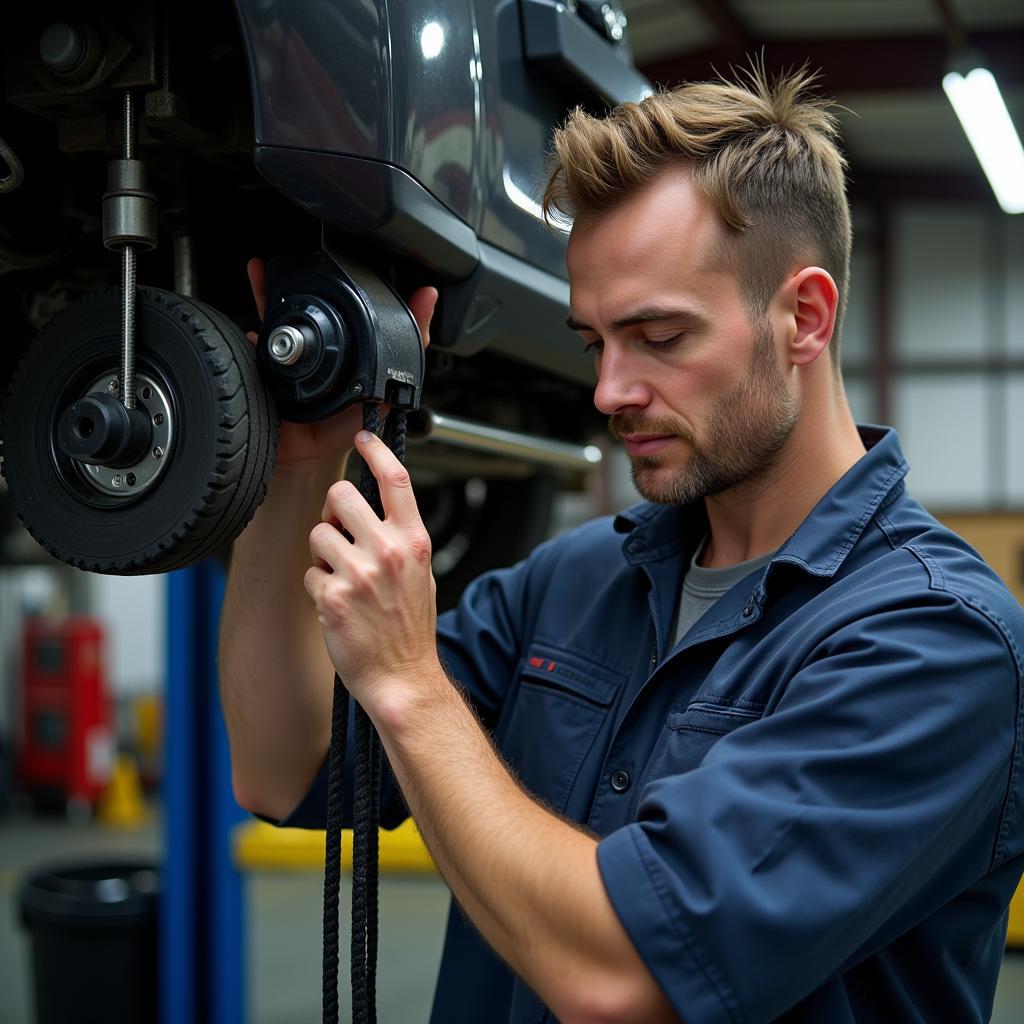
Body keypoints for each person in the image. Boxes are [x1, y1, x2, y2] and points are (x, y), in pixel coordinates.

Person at [218, 64, 1024, 1024]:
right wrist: (300, 469)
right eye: (596, 342)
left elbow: (621, 979)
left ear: (803, 317)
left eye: (659, 336)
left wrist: (408, 684)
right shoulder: (574, 581)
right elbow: (284, 770)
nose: (609, 391)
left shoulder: (937, 642)